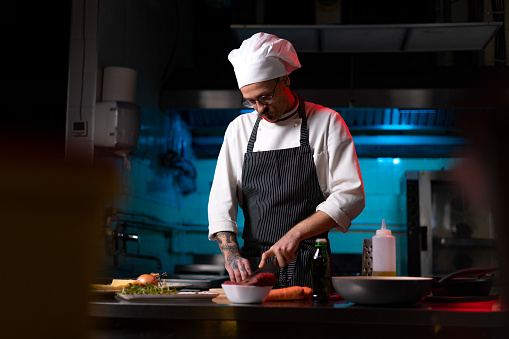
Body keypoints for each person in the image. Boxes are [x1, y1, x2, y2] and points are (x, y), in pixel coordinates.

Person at [208, 32, 365, 288]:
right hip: (255, 267)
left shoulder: (327, 122)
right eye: (250, 101)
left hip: (311, 262)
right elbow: (220, 199)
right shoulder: (238, 130)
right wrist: (232, 254)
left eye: (265, 97)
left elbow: (350, 195)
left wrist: (295, 234)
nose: (259, 108)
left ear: (285, 80)